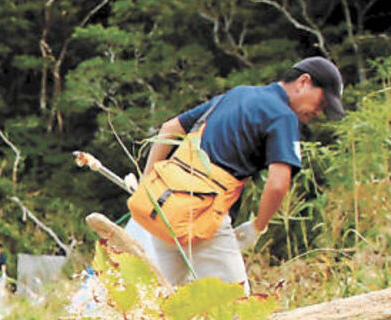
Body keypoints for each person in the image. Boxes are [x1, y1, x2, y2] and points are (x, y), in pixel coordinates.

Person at [138, 56, 344, 289]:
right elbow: (278, 183)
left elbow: (170, 128)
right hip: (203, 218)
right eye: (322, 103)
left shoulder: (237, 94)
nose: (319, 112)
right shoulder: (283, 116)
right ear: (303, 82)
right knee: (236, 312)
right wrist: (258, 227)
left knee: (158, 305)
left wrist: (147, 182)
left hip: (165, 211)